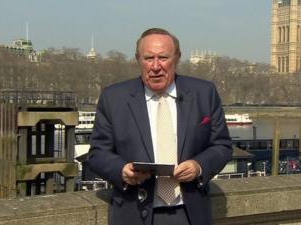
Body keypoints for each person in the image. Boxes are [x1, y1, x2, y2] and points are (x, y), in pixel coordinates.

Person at [88, 28, 232, 225]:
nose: (156, 66)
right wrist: (122, 170)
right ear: (138, 59)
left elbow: (222, 146)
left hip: (190, 213)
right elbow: (97, 153)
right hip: (133, 214)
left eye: (163, 58)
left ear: (177, 58)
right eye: (148, 58)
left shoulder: (204, 93)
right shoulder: (113, 98)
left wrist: (199, 166)